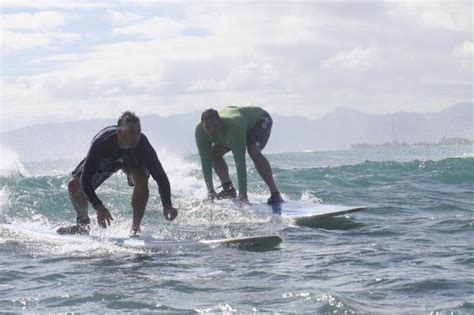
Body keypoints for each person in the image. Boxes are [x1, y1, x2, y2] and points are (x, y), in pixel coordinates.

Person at [57, 111, 178, 236]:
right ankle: (82, 225)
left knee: (141, 179)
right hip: (107, 160)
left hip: (131, 162)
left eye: (139, 131)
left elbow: (160, 176)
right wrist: (99, 207)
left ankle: (135, 228)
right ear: (120, 132)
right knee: (74, 185)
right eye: (132, 133)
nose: (136, 137)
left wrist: (167, 204)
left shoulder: (142, 144)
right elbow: (85, 180)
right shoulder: (101, 143)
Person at [195, 106, 283, 205]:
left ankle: (275, 193)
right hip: (239, 124)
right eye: (207, 127)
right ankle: (228, 189)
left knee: (253, 150)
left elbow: (240, 164)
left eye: (214, 126)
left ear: (220, 122)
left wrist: (243, 196)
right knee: (214, 154)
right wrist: (210, 193)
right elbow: (205, 161)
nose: (211, 130)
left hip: (259, 120)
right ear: (203, 126)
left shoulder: (233, 129)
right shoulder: (200, 132)